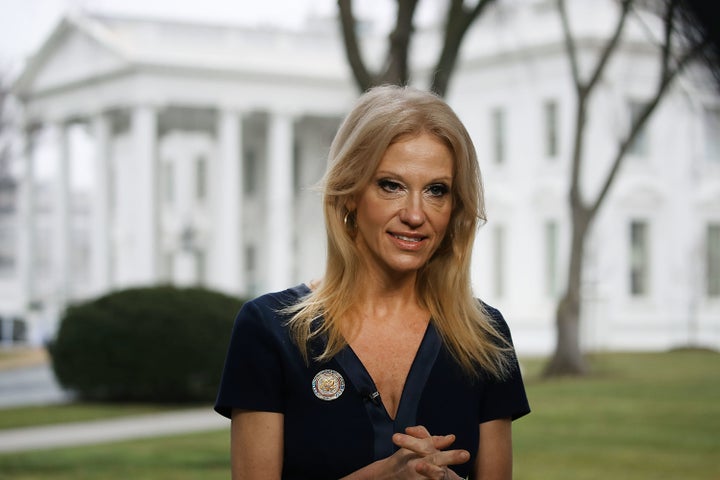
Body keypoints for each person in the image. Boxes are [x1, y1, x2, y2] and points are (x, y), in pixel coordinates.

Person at [215, 85, 530, 479]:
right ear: (349, 193)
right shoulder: (270, 329)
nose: (415, 214)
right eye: (391, 185)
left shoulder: (485, 337)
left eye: (436, 190)